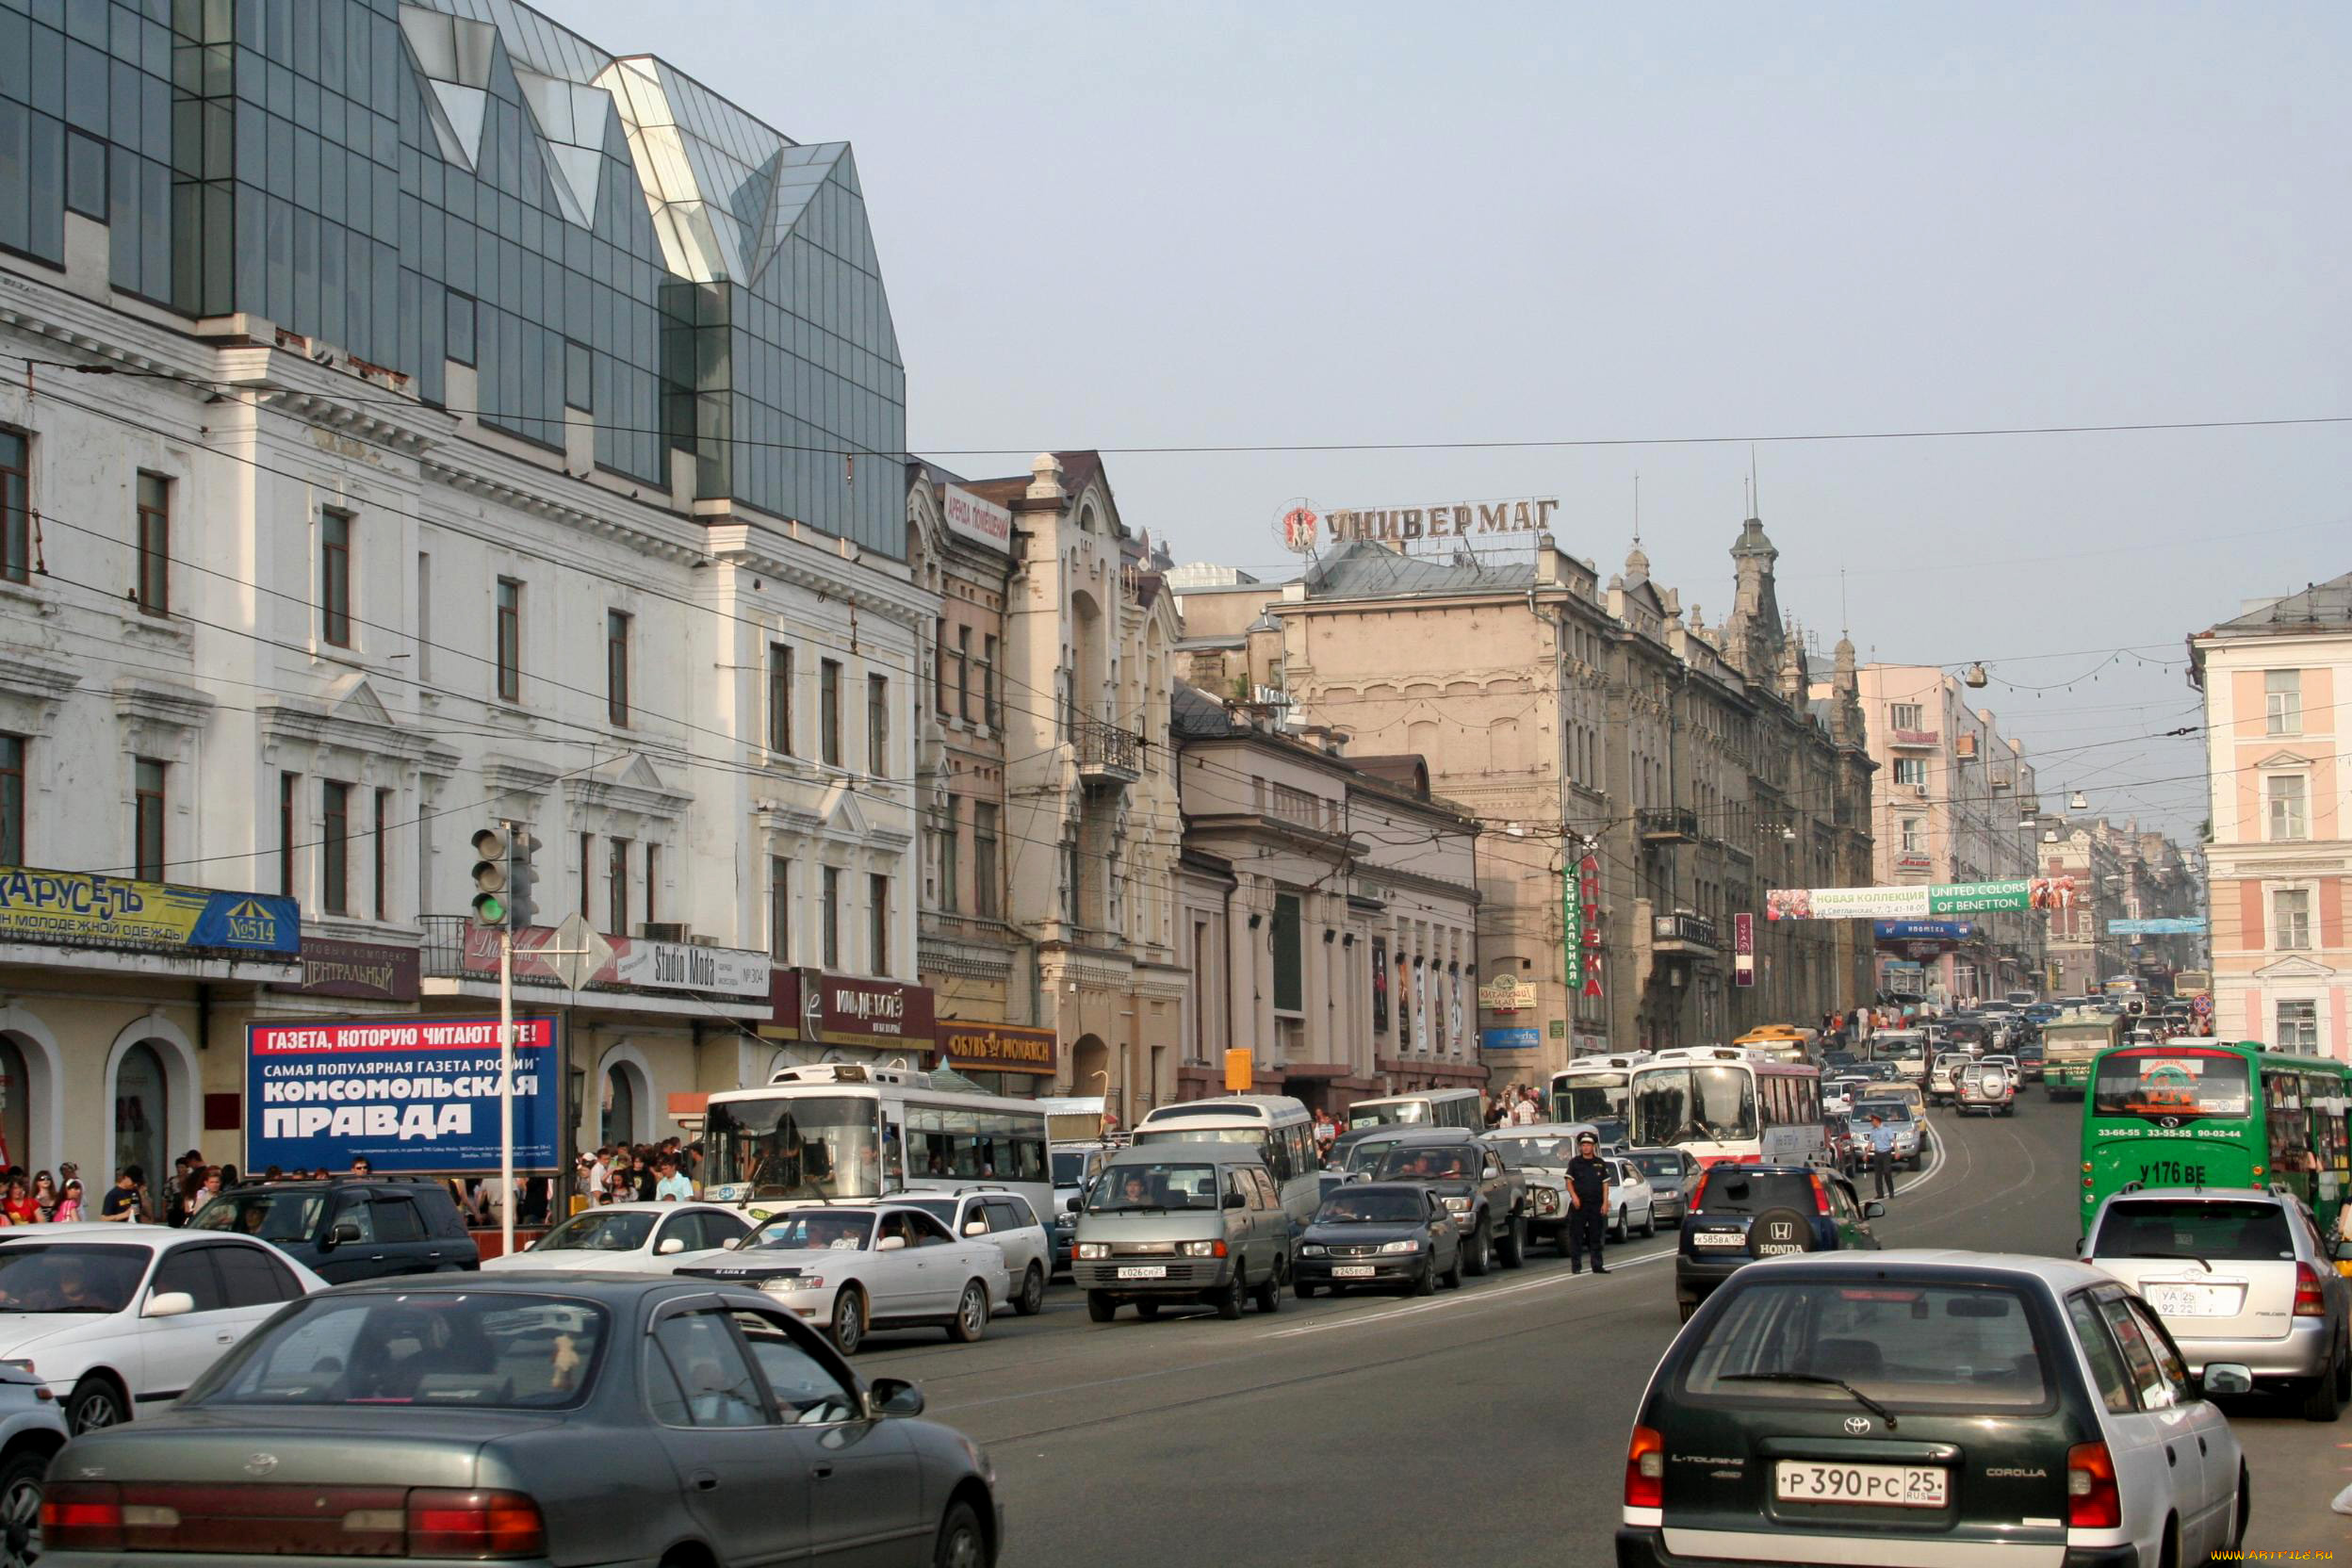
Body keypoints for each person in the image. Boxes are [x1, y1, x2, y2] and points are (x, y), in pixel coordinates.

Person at [1564, 1132, 1611, 1274]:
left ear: (1593, 1146)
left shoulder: (1600, 1163)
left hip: (1596, 1204)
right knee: (1576, 1235)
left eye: (1588, 1145)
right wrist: (1574, 1197)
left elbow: (1605, 1185)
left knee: (1596, 1235)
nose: (1585, 1148)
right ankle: (1576, 1266)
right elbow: (1568, 1182)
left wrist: (1605, 1203)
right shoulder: (1574, 1163)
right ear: (1580, 1147)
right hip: (1580, 1205)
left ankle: (1597, 1265)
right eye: (1583, 1145)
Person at [1867, 1113, 1899, 1201]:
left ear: (1877, 1120)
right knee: (1878, 1175)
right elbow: (1870, 1143)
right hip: (1877, 1154)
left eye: (1872, 1121)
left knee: (1887, 1172)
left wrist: (1897, 1152)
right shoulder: (1873, 1131)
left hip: (1886, 1153)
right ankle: (1880, 1194)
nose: (1871, 1123)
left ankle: (1891, 1191)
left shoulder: (1887, 1129)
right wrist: (1866, 1154)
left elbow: (1893, 1141)